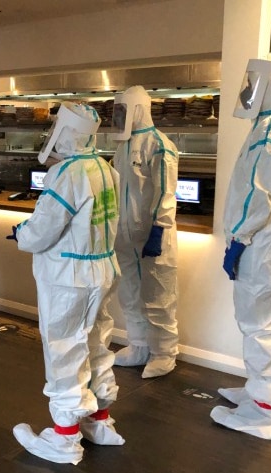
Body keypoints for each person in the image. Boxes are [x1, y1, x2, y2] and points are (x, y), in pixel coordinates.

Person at [8, 102, 123, 465]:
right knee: (95, 344)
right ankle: (98, 420)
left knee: (65, 351)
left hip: (68, 278)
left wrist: (20, 234)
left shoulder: (66, 174)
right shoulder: (105, 169)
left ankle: (64, 437)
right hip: (102, 271)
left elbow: (42, 230)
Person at [212, 52, 271, 440]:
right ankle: (264, 390)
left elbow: (257, 194)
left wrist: (238, 236)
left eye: (254, 83)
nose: (249, 90)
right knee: (264, 314)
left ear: (270, 84)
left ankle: (264, 411)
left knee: (257, 319)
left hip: (263, 234)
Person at [110, 85, 180, 378]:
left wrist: (159, 229)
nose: (119, 116)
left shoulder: (159, 145)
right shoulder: (122, 146)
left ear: (138, 108)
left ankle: (164, 352)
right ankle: (138, 345)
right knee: (129, 292)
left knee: (158, 294)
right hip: (123, 233)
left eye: (123, 110)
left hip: (152, 234)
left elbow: (166, 191)